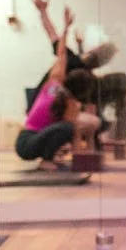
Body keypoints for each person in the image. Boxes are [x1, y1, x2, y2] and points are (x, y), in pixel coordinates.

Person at [18, 11, 90, 167]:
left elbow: (61, 54)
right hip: (28, 144)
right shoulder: (71, 103)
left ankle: (49, 156)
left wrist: (66, 29)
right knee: (67, 128)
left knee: (64, 129)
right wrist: (80, 161)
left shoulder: (53, 82)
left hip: (26, 140)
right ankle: (46, 160)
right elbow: (74, 133)